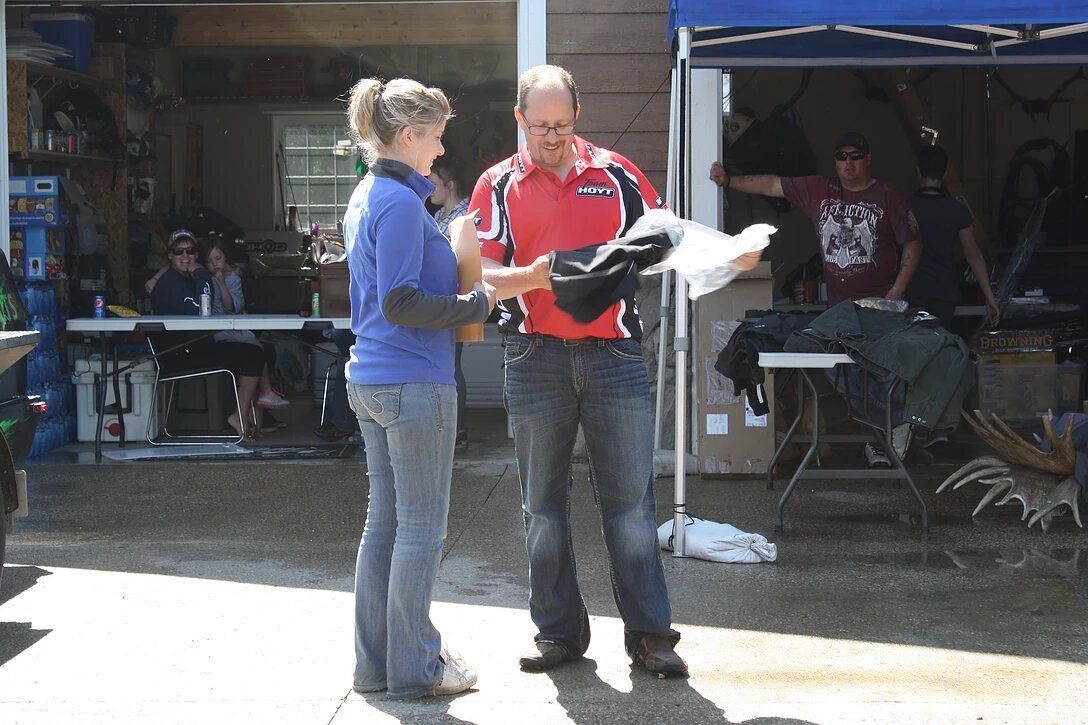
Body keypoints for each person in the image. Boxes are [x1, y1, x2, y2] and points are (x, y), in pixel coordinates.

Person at [472, 64, 760, 678]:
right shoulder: (496, 186)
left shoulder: (617, 173)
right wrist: (546, 273)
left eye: (561, 124)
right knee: (541, 509)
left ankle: (652, 637)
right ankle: (558, 634)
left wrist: (729, 251)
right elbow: (479, 276)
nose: (551, 137)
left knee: (630, 506)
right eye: (538, 125)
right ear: (519, 119)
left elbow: (670, 237)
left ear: (577, 116)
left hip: (615, 357)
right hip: (534, 356)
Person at [343, 76, 496, 700]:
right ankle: (417, 669)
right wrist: (474, 305)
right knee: (420, 530)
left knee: (384, 527)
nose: (438, 150)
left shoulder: (368, 193)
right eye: (434, 137)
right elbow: (401, 301)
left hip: (374, 380)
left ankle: (375, 669)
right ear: (407, 136)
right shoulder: (401, 203)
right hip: (413, 384)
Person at [710, 131, 922, 304]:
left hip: (881, 304)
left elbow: (913, 244)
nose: (849, 162)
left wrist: (897, 291)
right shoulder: (820, 189)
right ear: (835, 162)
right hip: (839, 309)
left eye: (856, 156)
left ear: (868, 159)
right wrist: (728, 181)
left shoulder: (889, 195)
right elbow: (773, 185)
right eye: (842, 156)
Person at [149, 230, 266, 439]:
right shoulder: (171, 282)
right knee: (252, 355)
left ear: (196, 254)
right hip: (178, 354)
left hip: (196, 345)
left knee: (259, 351)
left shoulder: (185, 277)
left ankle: (248, 414)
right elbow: (201, 310)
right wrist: (203, 273)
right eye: (179, 251)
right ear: (170, 256)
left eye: (191, 251)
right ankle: (240, 416)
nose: (185, 256)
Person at [203, 239, 290, 435]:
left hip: (234, 326)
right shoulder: (204, 279)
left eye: (218, 258)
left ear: (226, 258)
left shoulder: (233, 277)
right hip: (215, 330)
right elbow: (227, 308)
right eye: (210, 261)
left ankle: (256, 414)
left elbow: (234, 307)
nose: (215, 264)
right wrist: (219, 283)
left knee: (263, 348)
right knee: (255, 350)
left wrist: (224, 283)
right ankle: (263, 396)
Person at [908, 145, 1000, 329]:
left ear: (918, 170)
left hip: (912, 292)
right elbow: (973, 255)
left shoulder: (906, 207)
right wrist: (990, 298)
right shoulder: (957, 210)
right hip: (945, 294)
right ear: (944, 173)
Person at [428, 157, 470, 447]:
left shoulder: (465, 215)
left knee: (452, 365)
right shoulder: (437, 215)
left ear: (450, 184)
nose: (429, 190)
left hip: (455, 299)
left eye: (433, 184)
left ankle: (456, 429)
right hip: (435, 299)